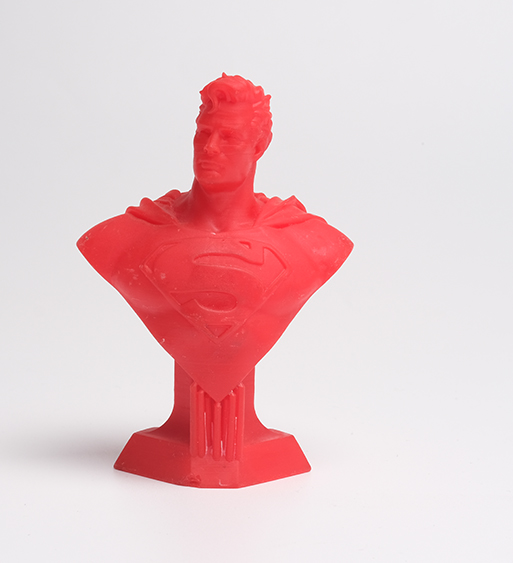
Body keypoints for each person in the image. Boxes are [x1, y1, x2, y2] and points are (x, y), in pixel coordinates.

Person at [78, 74, 352, 487]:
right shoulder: (128, 237)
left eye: (229, 138)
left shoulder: (309, 242)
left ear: (259, 146)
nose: (209, 149)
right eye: (203, 134)